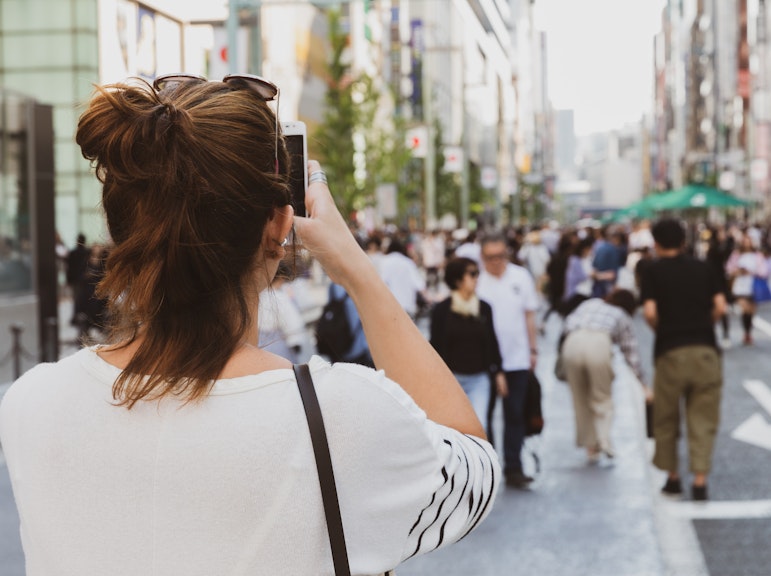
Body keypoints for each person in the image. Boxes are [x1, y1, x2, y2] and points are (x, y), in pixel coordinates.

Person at [0, 75, 499, 574]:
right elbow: (476, 466)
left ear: (123, 226)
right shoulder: (339, 415)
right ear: (279, 228)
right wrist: (356, 270)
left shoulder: (31, 402)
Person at [640, 218, 726, 501]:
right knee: (703, 419)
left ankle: (673, 478)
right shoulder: (704, 267)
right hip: (705, 351)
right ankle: (700, 481)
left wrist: (664, 331)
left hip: (670, 353)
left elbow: (650, 313)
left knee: (666, 418)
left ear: (656, 243)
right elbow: (720, 306)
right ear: (682, 241)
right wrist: (704, 325)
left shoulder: (652, 271)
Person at [477, 233, 539, 488]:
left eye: (500, 256)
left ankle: (514, 467)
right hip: (486, 362)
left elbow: (529, 315)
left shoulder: (520, 277)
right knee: (484, 417)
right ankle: (487, 470)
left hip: (517, 358)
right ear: (482, 258)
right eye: (490, 258)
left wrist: (533, 350)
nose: (496, 262)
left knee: (515, 414)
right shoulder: (477, 281)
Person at [560, 288, 649, 464]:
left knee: (580, 399)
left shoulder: (590, 303)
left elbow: (567, 324)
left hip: (572, 343)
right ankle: (604, 440)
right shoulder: (622, 315)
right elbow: (630, 352)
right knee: (602, 397)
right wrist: (643, 383)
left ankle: (590, 447)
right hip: (599, 344)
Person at [429, 257, 504, 432]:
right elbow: (435, 347)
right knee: (453, 431)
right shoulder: (442, 310)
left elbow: (492, 341)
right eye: (472, 274)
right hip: (452, 380)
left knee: (480, 428)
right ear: (457, 279)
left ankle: (482, 460)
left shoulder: (484, 308)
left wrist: (498, 371)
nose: (477, 278)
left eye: (477, 273)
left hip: (479, 379)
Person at [258, 260, 307, 363]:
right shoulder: (279, 297)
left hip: (261, 345)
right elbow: (291, 321)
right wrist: (296, 342)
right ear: (281, 278)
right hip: (280, 343)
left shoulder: (259, 295)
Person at [725, 232, 767, 345]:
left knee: (751, 311)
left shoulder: (757, 255)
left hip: (753, 285)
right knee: (745, 310)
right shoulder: (736, 254)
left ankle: (748, 332)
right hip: (740, 286)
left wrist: (752, 271)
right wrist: (738, 271)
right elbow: (729, 268)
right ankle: (746, 332)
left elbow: (764, 270)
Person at [379, 236, 428, 320]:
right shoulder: (408, 263)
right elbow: (419, 285)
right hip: (408, 306)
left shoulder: (383, 262)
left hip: (391, 306)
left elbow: (381, 283)